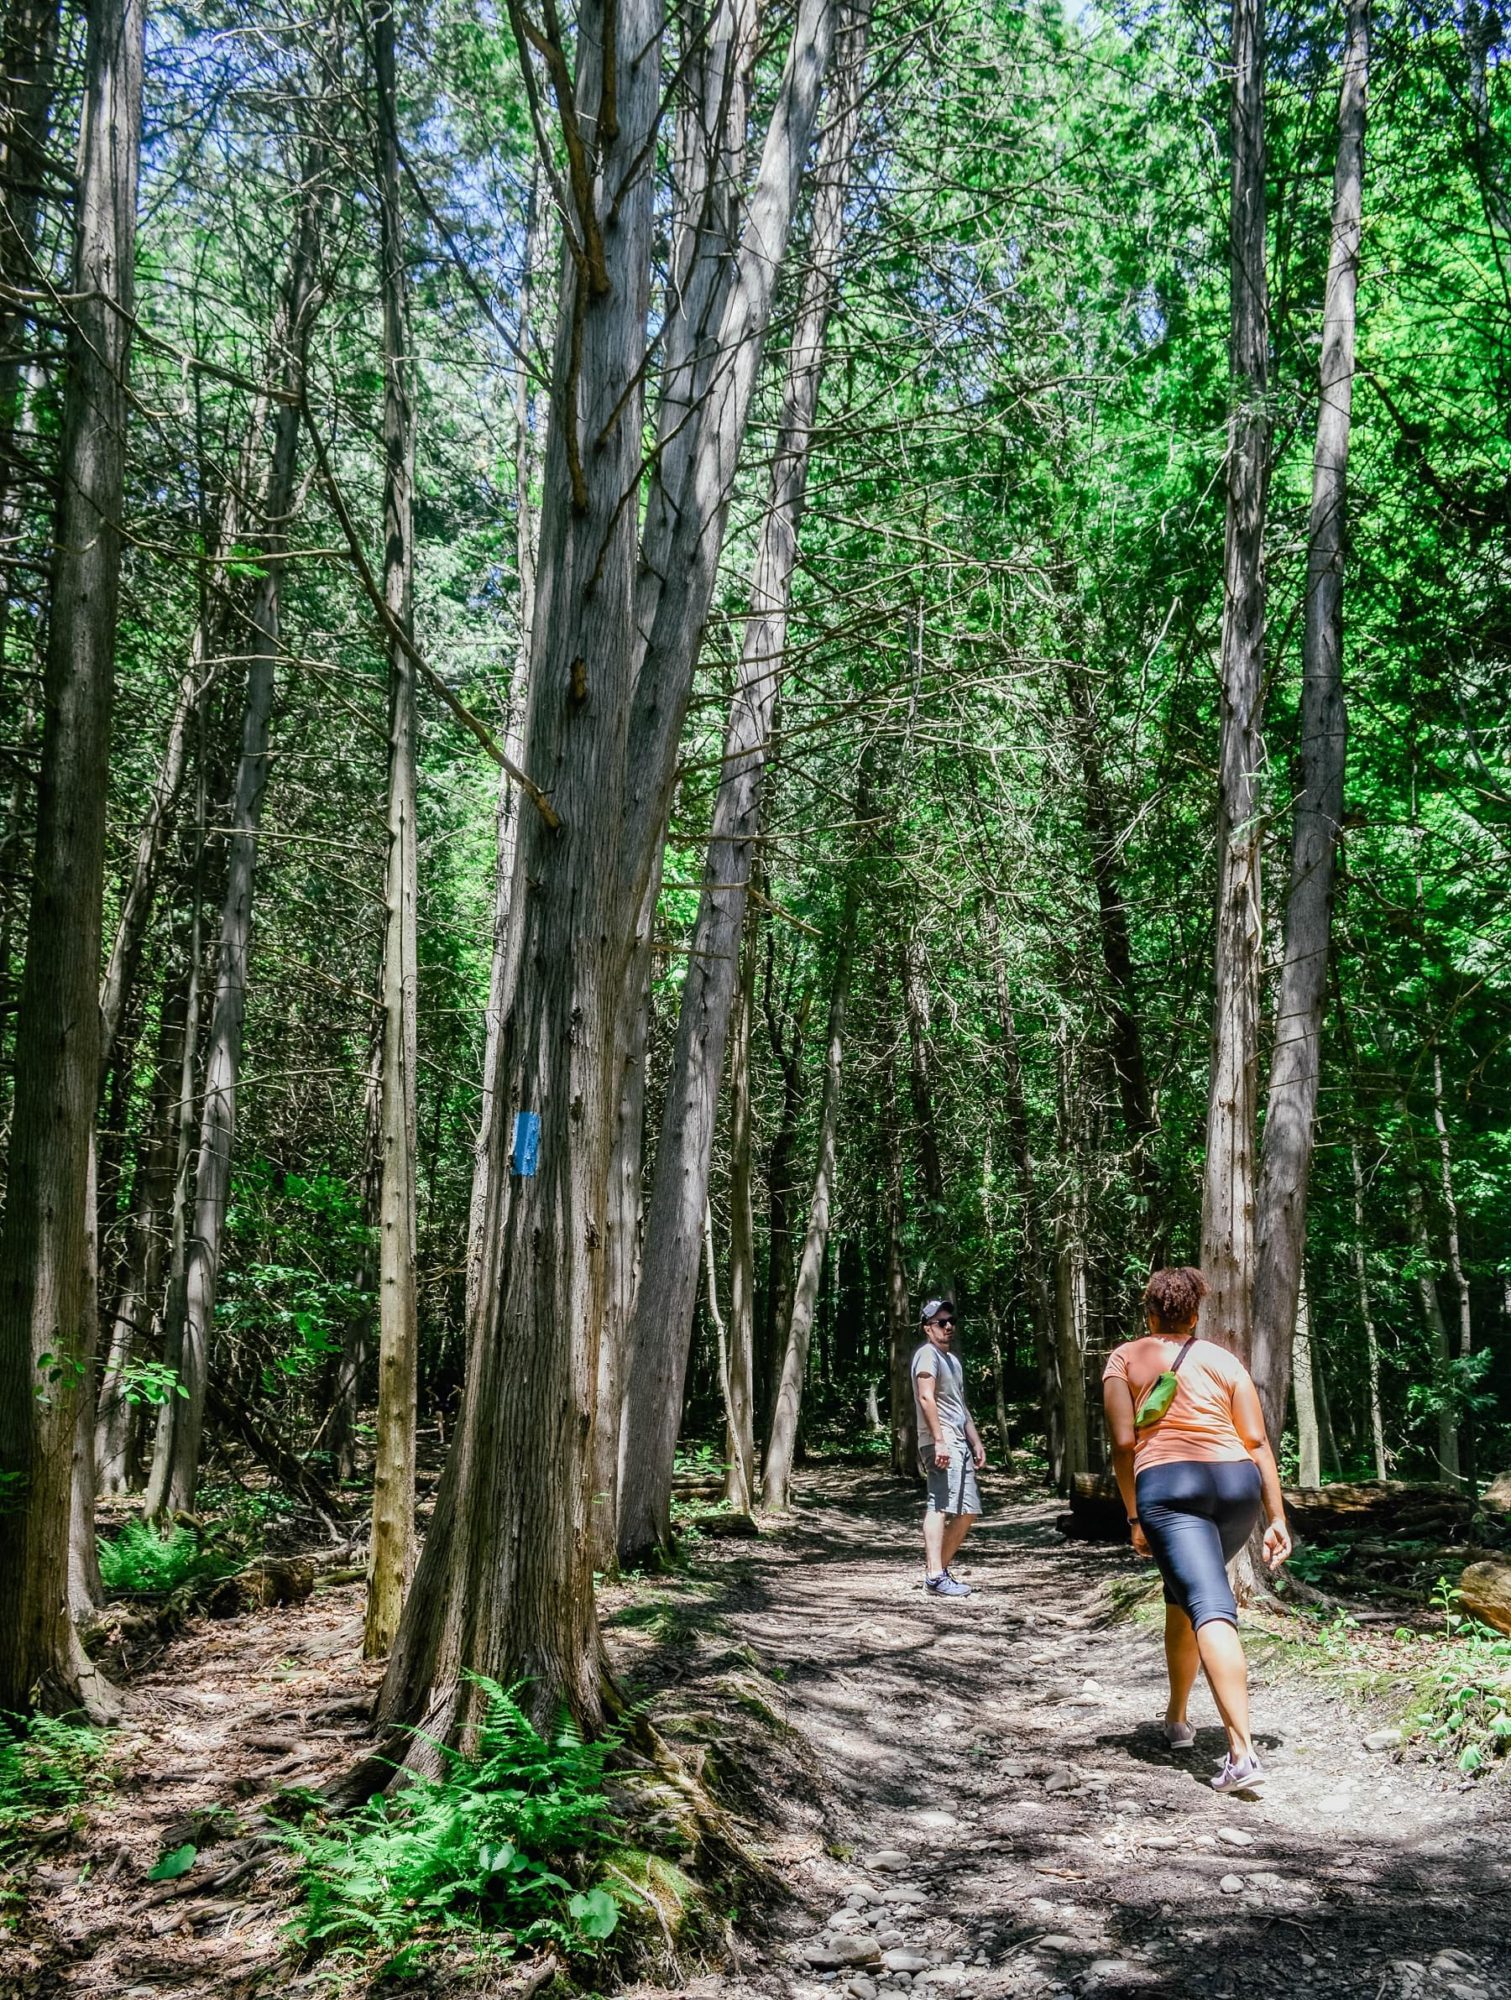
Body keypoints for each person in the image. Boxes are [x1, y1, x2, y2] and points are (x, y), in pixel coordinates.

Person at [1101, 1266, 1292, 1795]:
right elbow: (1255, 1441)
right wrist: (1276, 1516)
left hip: (1170, 1486)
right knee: (1182, 1596)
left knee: (1207, 1603)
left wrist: (1135, 1516)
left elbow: (1123, 1443)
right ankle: (1178, 1717)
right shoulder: (1222, 1359)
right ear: (1196, 1314)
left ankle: (1241, 1752)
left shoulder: (1125, 1358)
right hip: (1236, 1487)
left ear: (1149, 1310)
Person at [911, 1297, 986, 1597]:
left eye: (951, 1321)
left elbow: (959, 1406)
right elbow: (926, 1397)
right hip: (939, 1442)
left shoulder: (952, 1361)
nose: (948, 1327)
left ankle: (937, 1573)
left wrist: (976, 1440)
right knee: (939, 1503)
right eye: (941, 1323)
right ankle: (934, 1574)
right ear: (927, 1328)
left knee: (968, 1510)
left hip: (958, 1441)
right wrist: (939, 1440)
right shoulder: (927, 1355)